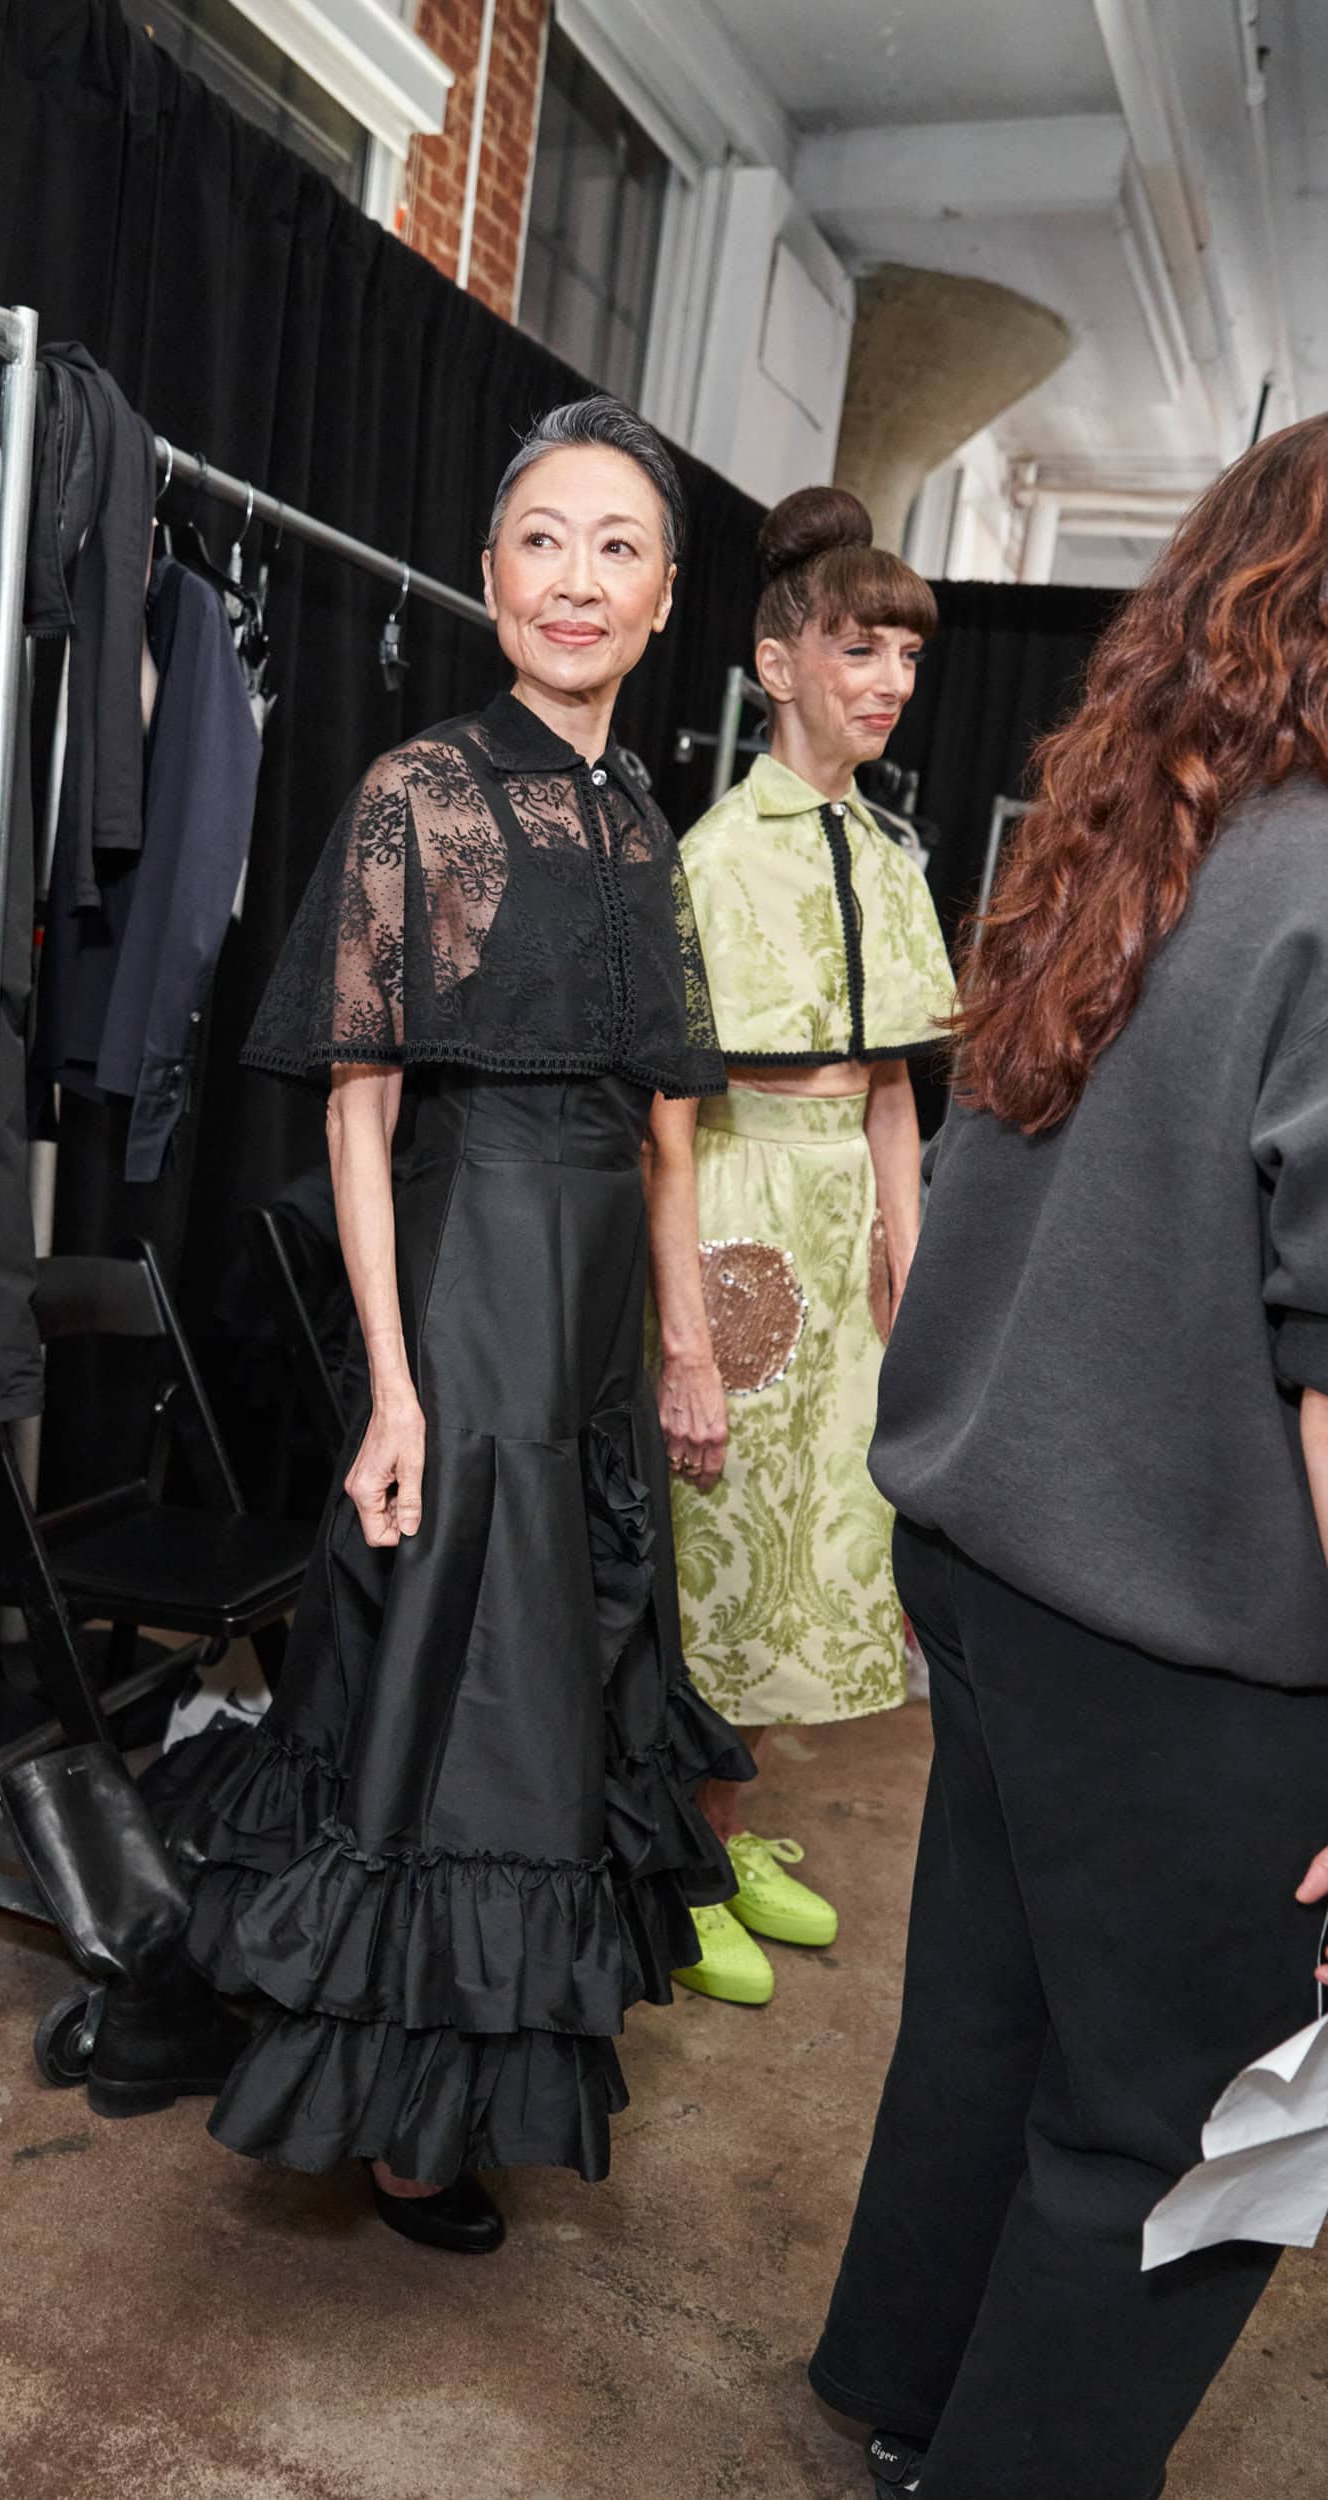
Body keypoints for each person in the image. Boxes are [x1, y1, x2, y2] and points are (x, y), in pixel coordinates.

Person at [150, 397, 752, 2254]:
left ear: (665, 600)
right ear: (490, 578)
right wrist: (394, 1393)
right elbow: (358, 1111)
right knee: (455, 1697)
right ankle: (402, 2125)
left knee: (559, 1690)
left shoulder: (644, 821)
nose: (577, 578)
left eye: (618, 548)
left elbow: (668, 1129)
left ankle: (459, 2089)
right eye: (544, 541)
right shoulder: (424, 792)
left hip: (589, 1332)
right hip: (468, 1291)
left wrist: (684, 1346)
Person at [809, 414, 1328, 2500]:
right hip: (1180, 1636)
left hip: (997, 1565)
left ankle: (901, 2392)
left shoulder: (1124, 840)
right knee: (1176, 2135)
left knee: (991, 2023)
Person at [644, 489, 950, 2009]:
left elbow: (893, 1083)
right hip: (740, 1209)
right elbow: (665, 1120)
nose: (888, 681)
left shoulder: (888, 856)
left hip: (847, 1237)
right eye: (858, 649)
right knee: (718, 1543)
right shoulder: (712, 857)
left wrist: (914, 1256)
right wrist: (685, 1335)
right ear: (778, 665)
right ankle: (671, 1864)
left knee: (810, 1547)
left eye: (907, 654)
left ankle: (725, 1823)